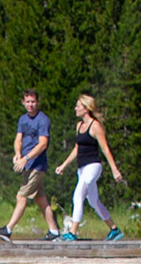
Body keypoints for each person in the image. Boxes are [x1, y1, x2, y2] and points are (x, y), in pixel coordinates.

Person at [53, 93, 124, 241]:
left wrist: (114, 169)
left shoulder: (95, 126)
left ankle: (72, 232)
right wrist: (64, 165)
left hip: (93, 167)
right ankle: (114, 229)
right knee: (93, 201)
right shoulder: (79, 126)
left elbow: (105, 149)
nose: (75, 108)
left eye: (78, 106)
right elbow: (77, 148)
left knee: (78, 195)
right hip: (82, 168)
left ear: (86, 108)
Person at [0, 89, 57, 242]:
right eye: (28, 102)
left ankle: (8, 229)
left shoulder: (43, 120)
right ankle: (54, 230)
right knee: (41, 199)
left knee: (21, 196)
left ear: (37, 102)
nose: (30, 105)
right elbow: (18, 139)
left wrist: (26, 158)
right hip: (26, 165)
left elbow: (43, 144)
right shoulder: (22, 119)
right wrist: (18, 154)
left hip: (37, 165)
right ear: (23, 102)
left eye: (33, 102)